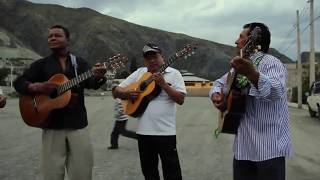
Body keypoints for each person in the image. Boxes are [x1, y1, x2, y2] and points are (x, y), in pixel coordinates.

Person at [14, 25, 107, 180]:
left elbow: (91, 83)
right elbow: (19, 82)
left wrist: (97, 76)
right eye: (50, 36)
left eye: (57, 35)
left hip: (77, 124)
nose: (53, 38)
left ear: (67, 40)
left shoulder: (80, 63)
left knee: (82, 173)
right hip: (51, 125)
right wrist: (37, 86)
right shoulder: (41, 65)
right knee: (52, 174)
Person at [209, 22, 293, 180]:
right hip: (242, 149)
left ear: (253, 42)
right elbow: (218, 84)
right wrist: (216, 95)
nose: (236, 41)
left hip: (269, 149)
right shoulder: (236, 68)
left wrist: (252, 74)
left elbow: (277, 92)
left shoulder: (271, 63)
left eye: (241, 37)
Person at [112, 43, 186, 180]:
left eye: (155, 56)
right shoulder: (140, 73)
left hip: (166, 133)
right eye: (148, 58)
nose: (151, 60)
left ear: (162, 57)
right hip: (143, 133)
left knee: (172, 172)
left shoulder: (174, 74)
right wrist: (127, 94)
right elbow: (116, 90)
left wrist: (164, 85)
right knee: (149, 172)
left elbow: (181, 99)